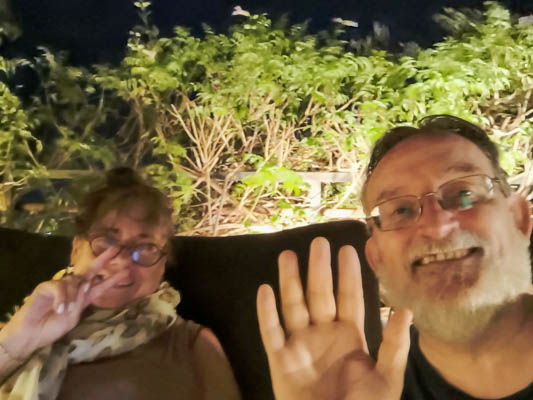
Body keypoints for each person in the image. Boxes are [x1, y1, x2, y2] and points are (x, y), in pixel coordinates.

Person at [257, 115, 533, 400]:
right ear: (376, 257)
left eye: (464, 194)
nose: (436, 227)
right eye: (401, 210)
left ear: (518, 219)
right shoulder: (362, 386)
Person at [0, 167, 241, 400]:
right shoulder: (24, 324)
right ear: (76, 250)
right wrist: (20, 343)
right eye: (106, 241)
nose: (122, 261)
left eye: (145, 247)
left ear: (162, 264)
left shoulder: (193, 345)